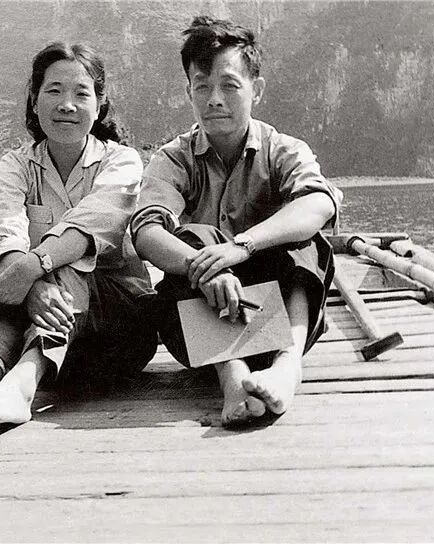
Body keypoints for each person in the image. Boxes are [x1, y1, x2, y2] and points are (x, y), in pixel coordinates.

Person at [130, 17, 343, 427]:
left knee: (307, 240)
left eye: (229, 85)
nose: (214, 99)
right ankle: (233, 378)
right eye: (202, 87)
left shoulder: (282, 150)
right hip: (202, 327)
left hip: (277, 319)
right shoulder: (174, 158)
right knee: (191, 238)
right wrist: (205, 267)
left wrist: (242, 246)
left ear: (256, 90)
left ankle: (287, 367)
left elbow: (319, 203)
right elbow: (147, 231)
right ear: (188, 92)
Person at [0, 42, 157, 438]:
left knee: (57, 266)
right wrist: (28, 284)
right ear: (34, 100)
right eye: (54, 91)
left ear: (100, 104)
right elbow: (3, 232)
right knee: (19, 281)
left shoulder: (122, 161)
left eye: (81, 93)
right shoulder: (17, 165)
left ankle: (20, 386)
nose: (67, 105)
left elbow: (90, 226)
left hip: (118, 336)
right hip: (61, 350)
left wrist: (32, 268)